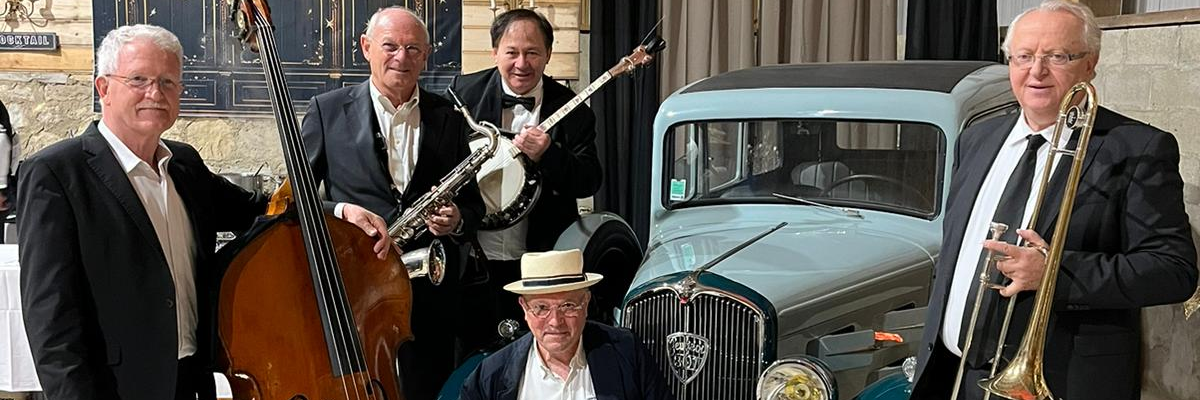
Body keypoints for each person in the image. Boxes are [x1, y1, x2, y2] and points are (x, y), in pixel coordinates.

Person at [16, 24, 392, 400]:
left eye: (168, 82)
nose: (155, 93)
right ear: (104, 88)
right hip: (116, 387)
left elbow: (261, 211)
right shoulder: (57, 173)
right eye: (139, 79)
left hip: (191, 382)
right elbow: (51, 320)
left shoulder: (184, 164)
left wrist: (339, 211)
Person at [909, 2, 1197, 399]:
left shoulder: (1138, 148)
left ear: (1090, 64)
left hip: (1060, 383)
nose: (1036, 71)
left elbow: (1173, 271)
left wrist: (1055, 275)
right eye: (1023, 56)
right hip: (956, 373)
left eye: (1057, 56)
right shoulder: (976, 138)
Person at [299, 6, 484, 400]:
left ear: (427, 54)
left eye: (413, 49)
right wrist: (340, 210)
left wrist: (457, 219)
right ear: (366, 47)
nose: (401, 58)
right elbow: (294, 200)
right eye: (390, 46)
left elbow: (474, 206)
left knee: (426, 389)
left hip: (428, 298)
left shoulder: (449, 116)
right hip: (357, 287)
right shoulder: (326, 111)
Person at [448, 8, 603, 331]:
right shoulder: (462, 96)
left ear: (547, 54)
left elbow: (589, 180)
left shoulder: (573, 110)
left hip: (540, 262)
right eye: (512, 53)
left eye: (532, 52)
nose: (522, 63)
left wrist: (549, 153)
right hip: (473, 260)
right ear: (495, 53)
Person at [459, 249, 672, 400]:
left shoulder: (626, 351)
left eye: (568, 305)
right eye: (541, 308)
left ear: (586, 303)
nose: (555, 321)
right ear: (524, 308)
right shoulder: (490, 374)